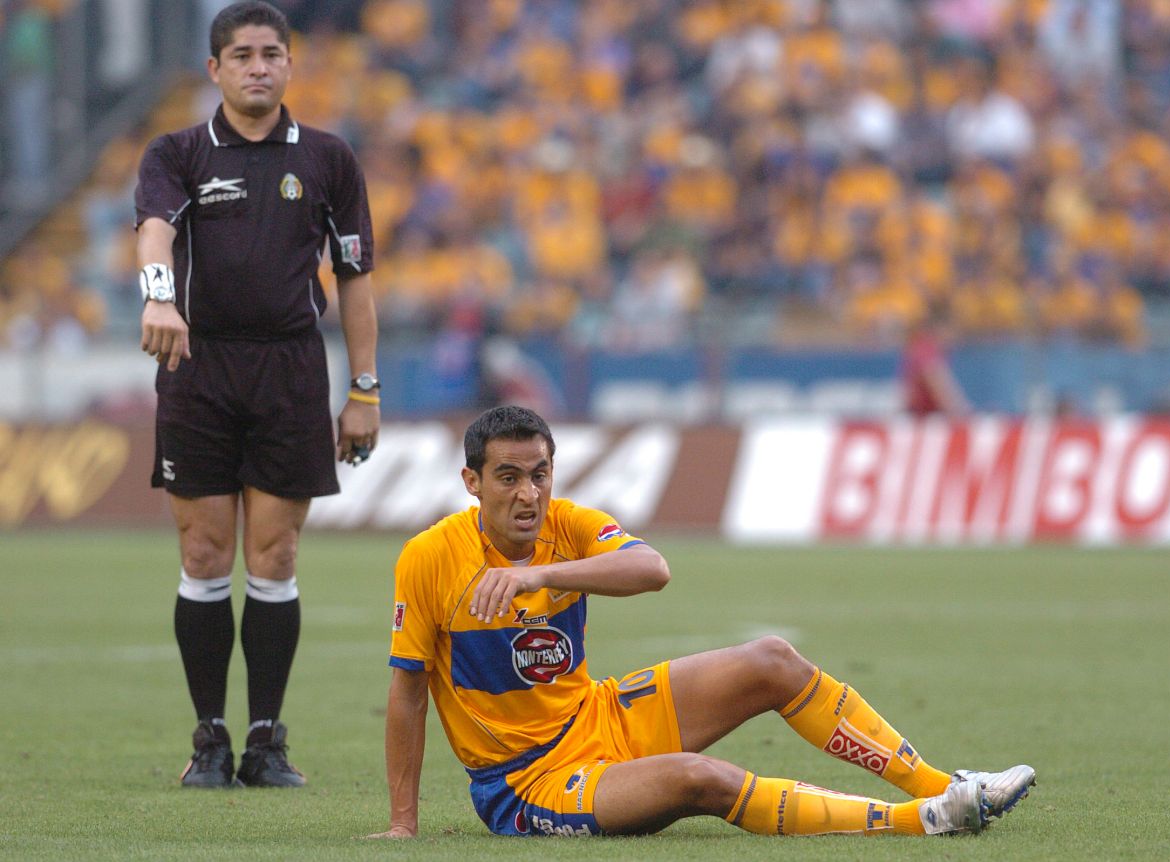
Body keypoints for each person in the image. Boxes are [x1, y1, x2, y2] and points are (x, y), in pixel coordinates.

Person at [369, 405, 1035, 839]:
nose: (529, 494)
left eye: (539, 475)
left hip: (598, 718)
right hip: (528, 780)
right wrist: (404, 823)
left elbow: (652, 569)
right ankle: (919, 822)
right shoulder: (429, 558)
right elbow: (406, 688)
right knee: (700, 778)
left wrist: (538, 574)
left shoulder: (567, 525)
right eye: (508, 477)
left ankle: (948, 788)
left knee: (772, 660)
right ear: (471, 481)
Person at [134, 1, 380, 789]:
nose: (258, 67)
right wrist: (158, 295)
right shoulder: (176, 152)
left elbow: (356, 279)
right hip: (197, 368)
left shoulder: (330, 159)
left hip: (290, 370)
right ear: (215, 69)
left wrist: (365, 389)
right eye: (241, 55)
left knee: (274, 556)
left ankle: (266, 741)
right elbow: (153, 230)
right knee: (204, 554)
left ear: (289, 63)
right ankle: (209, 739)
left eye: (271, 53)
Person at [901, 308, 970, 417]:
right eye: (953, 331)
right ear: (942, 329)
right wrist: (964, 415)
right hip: (922, 421)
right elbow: (941, 391)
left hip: (923, 418)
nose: (955, 337)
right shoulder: (925, 350)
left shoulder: (927, 350)